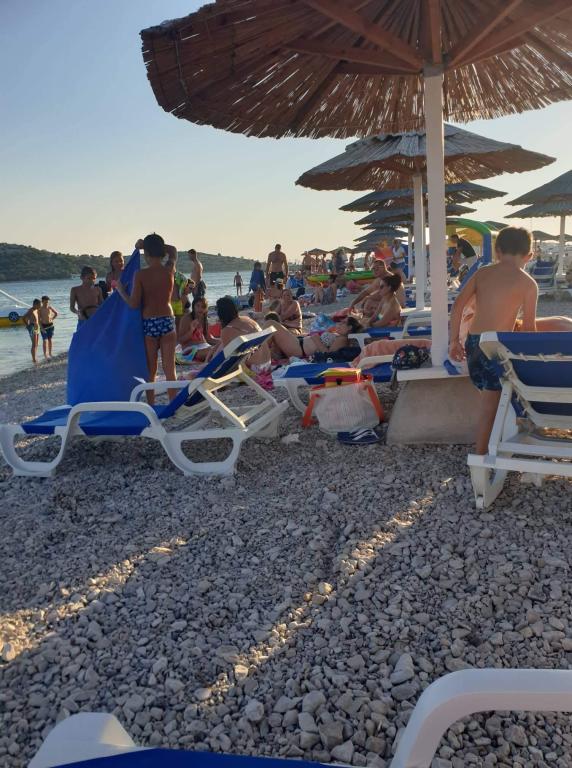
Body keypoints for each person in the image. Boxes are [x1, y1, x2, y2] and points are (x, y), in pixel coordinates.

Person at [449, 227, 537, 455]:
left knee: (491, 397)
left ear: (497, 251)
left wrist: (454, 342)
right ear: (529, 255)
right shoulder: (528, 284)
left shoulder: (482, 273)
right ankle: (480, 457)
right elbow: (529, 330)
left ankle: (498, 437)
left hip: (473, 344)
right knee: (490, 404)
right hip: (496, 348)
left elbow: (457, 306)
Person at [115, 234, 179, 404]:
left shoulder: (141, 275)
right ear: (161, 250)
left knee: (151, 369)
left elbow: (133, 304)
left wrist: (121, 290)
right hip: (167, 319)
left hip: (150, 322)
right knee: (170, 368)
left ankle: (151, 404)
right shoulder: (169, 269)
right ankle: (173, 403)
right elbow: (173, 250)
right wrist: (148, 245)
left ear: (147, 253)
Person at [206, 296, 271, 368]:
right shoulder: (247, 319)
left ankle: (207, 364)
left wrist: (210, 361)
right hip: (267, 362)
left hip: (255, 367)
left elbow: (227, 357)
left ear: (220, 314)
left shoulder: (226, 330)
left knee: (224, 350)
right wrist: (214, 349)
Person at [267, 316, 364, 360]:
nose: (339, 324)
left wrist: (316, 339)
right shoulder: (338, 336)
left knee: (271, 324)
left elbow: (329, 355)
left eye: (343, 323)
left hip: (299, 349)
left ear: (349, 327)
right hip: (299, 344)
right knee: (270, 338)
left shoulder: (343, 339)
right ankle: (260, 355)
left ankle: (258, 354)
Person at [178, 296, 218, 361]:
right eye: (198, 306)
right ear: (193, 306)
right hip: (190, 349)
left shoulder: (204, 319)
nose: (200, 309)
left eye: (203, 307)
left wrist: (223, 341)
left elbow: (208, 339)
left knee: (219, 348)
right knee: (213, 352)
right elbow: (181, 340)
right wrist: (191, 330)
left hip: (204, 346)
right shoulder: (186, 319)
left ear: (206, 309)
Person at [39, 295, 58, 359]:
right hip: (43, 326)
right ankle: (45, 355)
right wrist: (41, 328)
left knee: (50, 340)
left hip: (50, 325)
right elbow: (38, 320)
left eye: (47, 302)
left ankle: (50, 353)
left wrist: (52, 318)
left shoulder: (50, 307)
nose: (46, 303)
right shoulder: (40, 309)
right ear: (42, 302)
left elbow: (56, 313)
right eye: (45, 302)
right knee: (45, 340)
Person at [23, 299, 41, 363]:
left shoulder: (36, 310)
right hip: (32, 327)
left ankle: (35, 357)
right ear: (35, 304)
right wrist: (27, 325)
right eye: (39, 305)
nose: (40, 306)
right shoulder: (31, 310)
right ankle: (34, 359)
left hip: (37, 327)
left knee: (36, 344)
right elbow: (24, 317)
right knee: (34, 344)